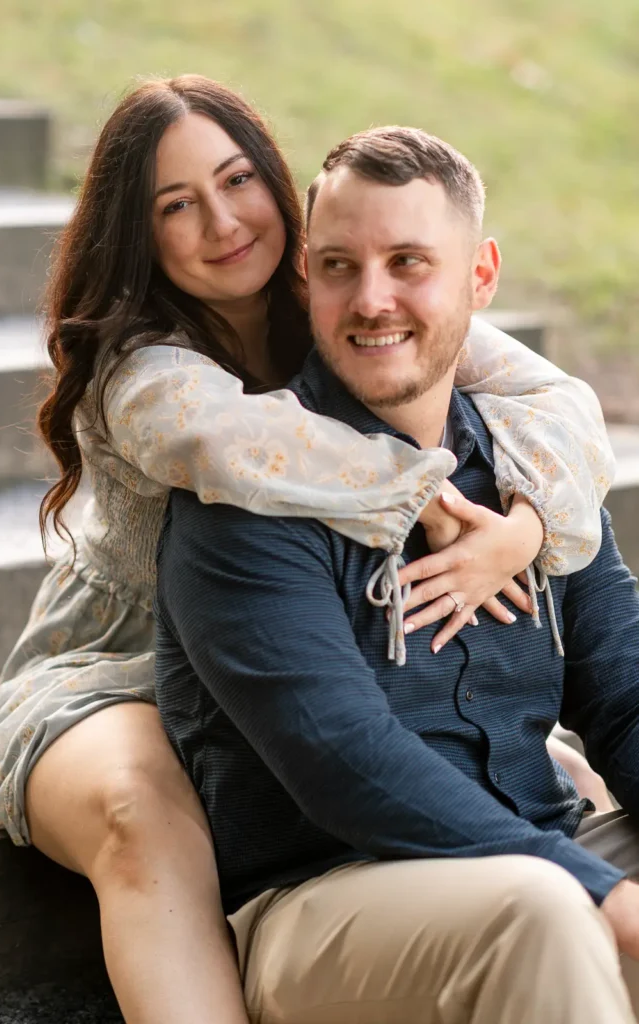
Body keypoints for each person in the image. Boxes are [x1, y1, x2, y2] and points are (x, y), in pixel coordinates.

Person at [0, 77, 613, 1024]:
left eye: (236, 180)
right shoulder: (148, 373)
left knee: (552, 769)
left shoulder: (345, 292)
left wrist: (522, 529)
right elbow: (239, 451)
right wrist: (429, 497)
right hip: (113, 668)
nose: (222, 221)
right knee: (144, 816)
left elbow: (557, 405)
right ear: (139, 234)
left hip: (277, 645)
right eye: (176, 204)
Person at [155, 125, 639, 1024]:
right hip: (329, 898)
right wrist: (596, 888)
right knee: (544, 909)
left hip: (539, 847)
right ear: (306, 277)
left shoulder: (531, 472)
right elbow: (343, 761)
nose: (371, 299)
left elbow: (625, 693)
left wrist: (584, 872)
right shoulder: (247, 491)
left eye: (407, 262)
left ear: (479, 277)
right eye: (338, 266)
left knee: (550, 896)